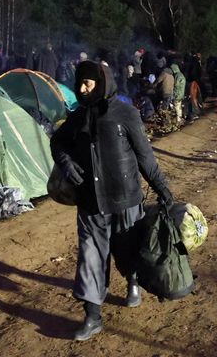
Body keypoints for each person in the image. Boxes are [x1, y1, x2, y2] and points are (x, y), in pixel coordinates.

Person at [50, 60, 173, 341]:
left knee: (127, 251)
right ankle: (92, 316)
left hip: (126, 199)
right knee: (90, 257)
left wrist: (163, 190)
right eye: (80, 83)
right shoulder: (78, 117)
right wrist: (67, 163)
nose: (82, 89)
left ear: (102, 83)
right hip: (90, 203)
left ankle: (132, 282)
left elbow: (145, 157)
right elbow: (57, 142)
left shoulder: (125, 113)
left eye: (88, 84)